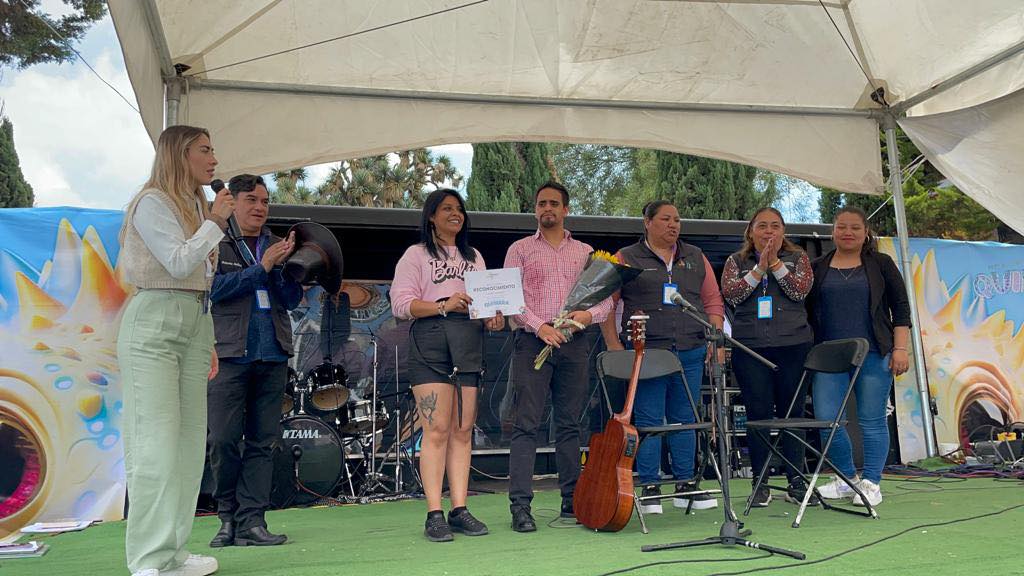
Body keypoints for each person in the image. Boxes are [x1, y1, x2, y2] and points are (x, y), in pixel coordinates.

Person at [117, 125, 234, 576]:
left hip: (194, 322)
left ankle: (173, 553)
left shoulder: (195, 206)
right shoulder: (152, 202)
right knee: (155, 445)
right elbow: (180, 261)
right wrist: (216, 223)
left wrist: (207, 340)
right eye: (205, 150)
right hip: (154, 322)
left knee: (188, 447)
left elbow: (200, 279)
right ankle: (147, 558)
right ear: (178, 154)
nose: (214, 159)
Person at [390, 189, 505, 542]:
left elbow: (485, 304)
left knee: (463, 429)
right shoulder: (416, 255)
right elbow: (401, 304)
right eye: (447, 209)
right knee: (436, 429)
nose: (456, 214)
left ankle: (459, 509)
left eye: (460, 209)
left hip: (469, 343)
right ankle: (433, 512)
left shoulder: (475, 256)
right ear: (431, 217)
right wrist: (444, 303)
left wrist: (492, 318)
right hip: (431, 343)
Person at [599, 200, 723, 514]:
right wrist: (613, 345)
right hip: (647, 353)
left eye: (677, 220)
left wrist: (716, 338)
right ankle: (650, 487)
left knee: (686, 419)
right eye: (666, 219)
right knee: (650, 419)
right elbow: (605, 305)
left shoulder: (695, 256)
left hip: (691, 350)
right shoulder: (626, 257)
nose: (673, 225)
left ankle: (685, 485)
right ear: (647, 222)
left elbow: (712, 301)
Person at [504, 181, 614, 532]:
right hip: (533, 342)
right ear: (535, 210)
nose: (546, 209)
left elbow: (606, 299)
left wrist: (587, 317)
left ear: (566, 209)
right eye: (541, 204)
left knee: (570, 424)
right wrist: (540, 328)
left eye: (553, 203)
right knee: (526, 425)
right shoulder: (519, 249)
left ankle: (573, 501)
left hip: (575, 343)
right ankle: (520, 507)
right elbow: (510, 299)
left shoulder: (585, 252)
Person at [206, 174, 302, 548]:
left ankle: (252, 520)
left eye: (265, 201)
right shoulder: (216, 240)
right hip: (228, 353)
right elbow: (213, 290)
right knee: (223, 440)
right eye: (252, 200)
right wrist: (259, 268)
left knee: (264, 442)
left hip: (272, 352)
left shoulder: (279, 244)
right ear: (234, 202)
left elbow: (291, 298)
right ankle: (226, 516)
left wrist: (280, 269)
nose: (260, 207)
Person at [806, 206, 911, 507]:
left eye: (854, 227)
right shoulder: (819, 266)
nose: (848, 232)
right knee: (827, 420)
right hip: (829, 357)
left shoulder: (881, 263)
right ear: (833, 231)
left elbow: (901, 308)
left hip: (875, 352)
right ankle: (846, 479)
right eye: (841, 227)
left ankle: (872, 483)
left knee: (872, 419)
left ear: (866, 232)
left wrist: (900, 348)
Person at [720, 207, 816, 507]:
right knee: (757, 415)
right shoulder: (736, 261)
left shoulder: (798, 258)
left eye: (775, 226)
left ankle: (796, 481)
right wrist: (758, 269)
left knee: (793, 414)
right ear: (751, 231)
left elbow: (799, 291)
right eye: (762, 226)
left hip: (793, 346)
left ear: (783, 232)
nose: (769, 232)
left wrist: (774, 263)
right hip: (751, 349)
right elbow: (732, 295)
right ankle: (759, 482)